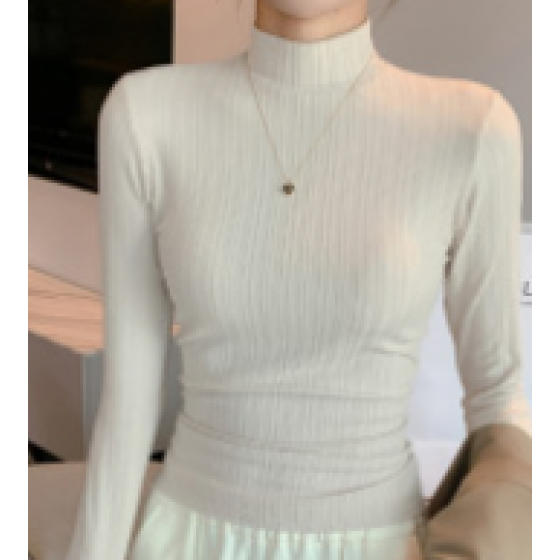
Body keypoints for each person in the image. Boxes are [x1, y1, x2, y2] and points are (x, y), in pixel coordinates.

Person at [64, 0, 532, 559]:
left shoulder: (473, 129)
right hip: (188, 539)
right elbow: (128, 403)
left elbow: (497, 397)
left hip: (381, 544)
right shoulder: (146, 114)